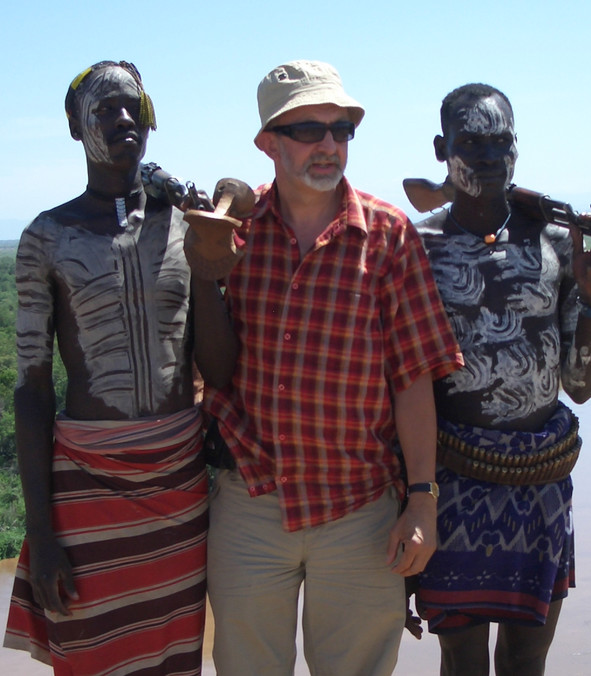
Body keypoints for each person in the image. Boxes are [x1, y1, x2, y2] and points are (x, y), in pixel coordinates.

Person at [200, 60, 463, 676]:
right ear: (268, 142)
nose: (329, 145)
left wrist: (421, 502)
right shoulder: (234, 234)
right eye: (309, 130)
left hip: (359, 505)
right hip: (251, 498)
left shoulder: (388, 236)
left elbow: (414, 378)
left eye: (342, 129)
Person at [3, 60, 239, 676]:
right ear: (76, 125)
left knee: (174, 654)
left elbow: (217, 369)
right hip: (86, 484)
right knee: (93, 653)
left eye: (133, 105)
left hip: (177, 482)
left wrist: (209, 258)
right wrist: (44, 534)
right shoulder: (46, 238)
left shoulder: (186, 224)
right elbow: (30, 391)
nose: (124, 118)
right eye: (106, 109)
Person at [412, 83, 591, 676]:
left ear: (516, 151)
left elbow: (579, 384)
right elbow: (402, 381)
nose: (485, 157)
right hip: (452, 483)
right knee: (461, 656)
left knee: (529, 655)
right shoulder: (417, 246)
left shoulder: (557, 243)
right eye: (469, 142)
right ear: (440, 148)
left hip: (540, 479)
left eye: (499, 143)